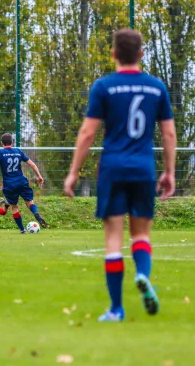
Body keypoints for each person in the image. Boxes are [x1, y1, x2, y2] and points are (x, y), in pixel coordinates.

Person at [64, 28, 176, 322]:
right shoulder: (157, 88)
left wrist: (73, 172)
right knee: (141, 234)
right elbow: (169, 132)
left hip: (112, 168)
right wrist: (170, 172)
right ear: (141, 55)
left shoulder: (104, 87)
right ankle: (142, 274)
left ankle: (116, 309)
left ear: (114, 54)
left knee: (114, 239)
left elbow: (88, 132)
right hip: (143, 168)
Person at [0, 133, 49, 233]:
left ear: (2, 143)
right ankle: (36, 213)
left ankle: (22, 229)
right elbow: (32, 164)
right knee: (29, 202)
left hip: (9, 184)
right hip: (21, 181)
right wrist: (39, 176)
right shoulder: (18, 151)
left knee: (14, 207)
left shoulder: (0, 153)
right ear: (12, 142)